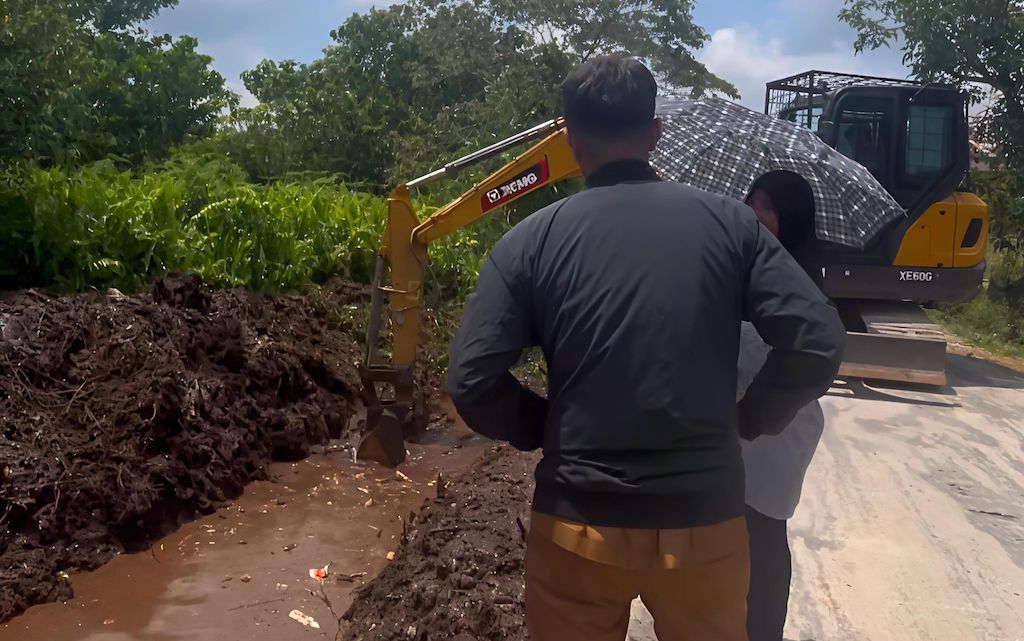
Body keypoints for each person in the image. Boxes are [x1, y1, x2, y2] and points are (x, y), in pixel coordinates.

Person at [446, 54, 846, 641]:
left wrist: (544, 425)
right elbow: (815, 343)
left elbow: (471, 381)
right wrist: (750, 418)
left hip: (575, 526)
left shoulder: (528, 242)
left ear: (570, 139)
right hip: (706, 521)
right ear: (655, 132)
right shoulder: (733, 228)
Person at [741, 171, 826, 641]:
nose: (756, 213)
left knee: (764, 535)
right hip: (734, 426)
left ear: (790, 217)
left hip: (777, 431)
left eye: (769, 206)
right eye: (751, 201)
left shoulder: (803, 281)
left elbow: (803, 362)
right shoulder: (741, 265)